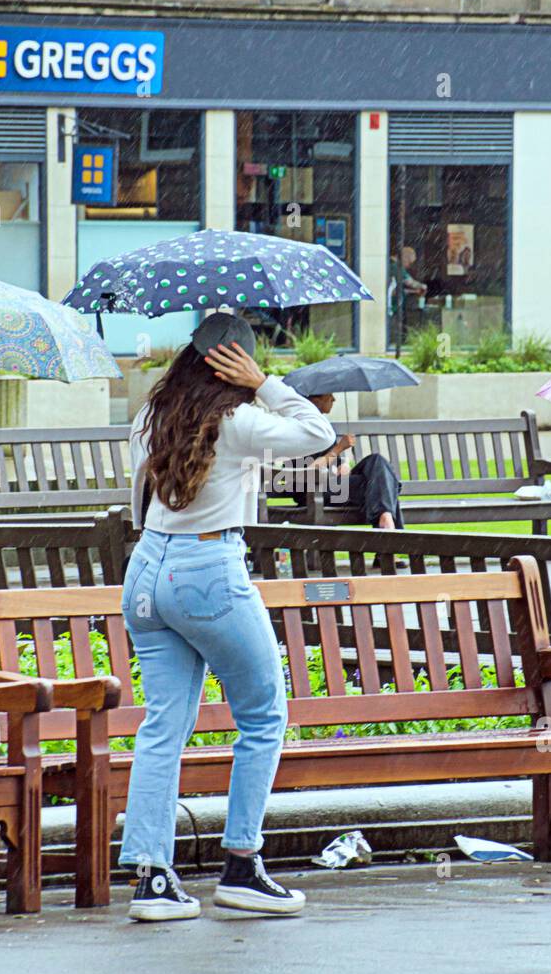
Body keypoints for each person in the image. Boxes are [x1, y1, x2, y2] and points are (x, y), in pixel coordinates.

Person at [121, 312, 335, 921]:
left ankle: (152, 879)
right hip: (207, 566)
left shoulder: (150, 416)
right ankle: (241, 865)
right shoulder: (237, 421)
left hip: (146, 569)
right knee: (265, 714)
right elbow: (317, 432)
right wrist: (265, 381)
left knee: (163, 726)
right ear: (234, 364)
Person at [285, 393, 403, 530]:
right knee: (383, 485)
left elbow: (334, 461)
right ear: (315, 401)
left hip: (334, 485)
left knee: (376, 461)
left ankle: (386, 522)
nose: (334, 399)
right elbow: (304, 473)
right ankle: (391, 533)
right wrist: (339, 448)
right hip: (312, 491)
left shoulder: (322, 427)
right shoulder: (297, 430)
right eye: (329, 396)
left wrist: (343, 465)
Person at [387, 245, 427, 353]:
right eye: (409, 263)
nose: (409, 266)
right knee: (395, 334)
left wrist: (411, 292)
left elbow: (397, 288)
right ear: (404, 258)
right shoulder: (396, 267)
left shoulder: (392, 266)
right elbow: (409, 282)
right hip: (392, 308)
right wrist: (423, 287)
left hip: (394, 307)